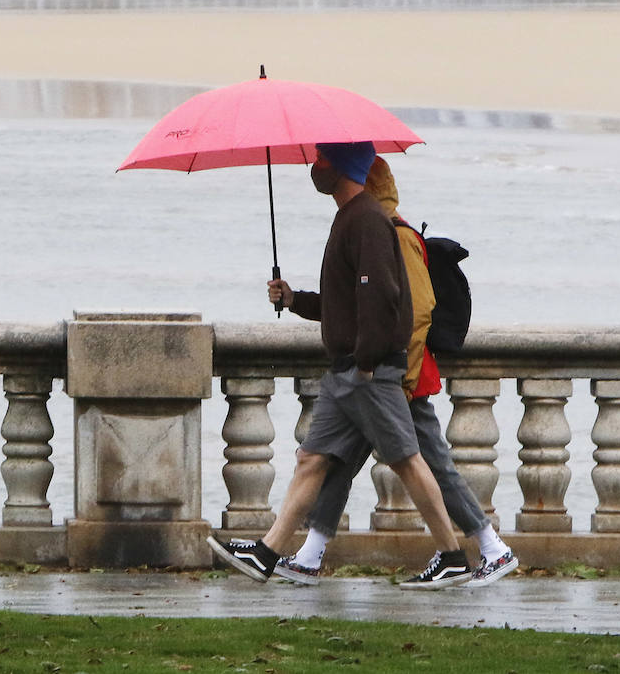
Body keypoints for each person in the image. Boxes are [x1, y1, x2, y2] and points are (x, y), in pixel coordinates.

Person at [207, 141, 473, 589]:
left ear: (343, 166)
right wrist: (294, 300)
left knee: (408, 460)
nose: (315, 166)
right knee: (311, 458)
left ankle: (452, 555)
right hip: (347, 372)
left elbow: (382, 297)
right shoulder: (349, 216)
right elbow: (344, 303)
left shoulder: (368, 220)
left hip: (365, 371)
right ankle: (268, 553)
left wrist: (368, 363)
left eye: (322, 159)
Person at [271, 155, 519, 588]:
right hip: (386, 377)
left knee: (429, 466)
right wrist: (295, 300)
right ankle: (310, 554)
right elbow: (345, 306)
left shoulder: (391, 235)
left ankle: (490, 547)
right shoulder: (366, 229)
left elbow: (417, 312)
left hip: (403, 380)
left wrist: (397, 383)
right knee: (333, 463)